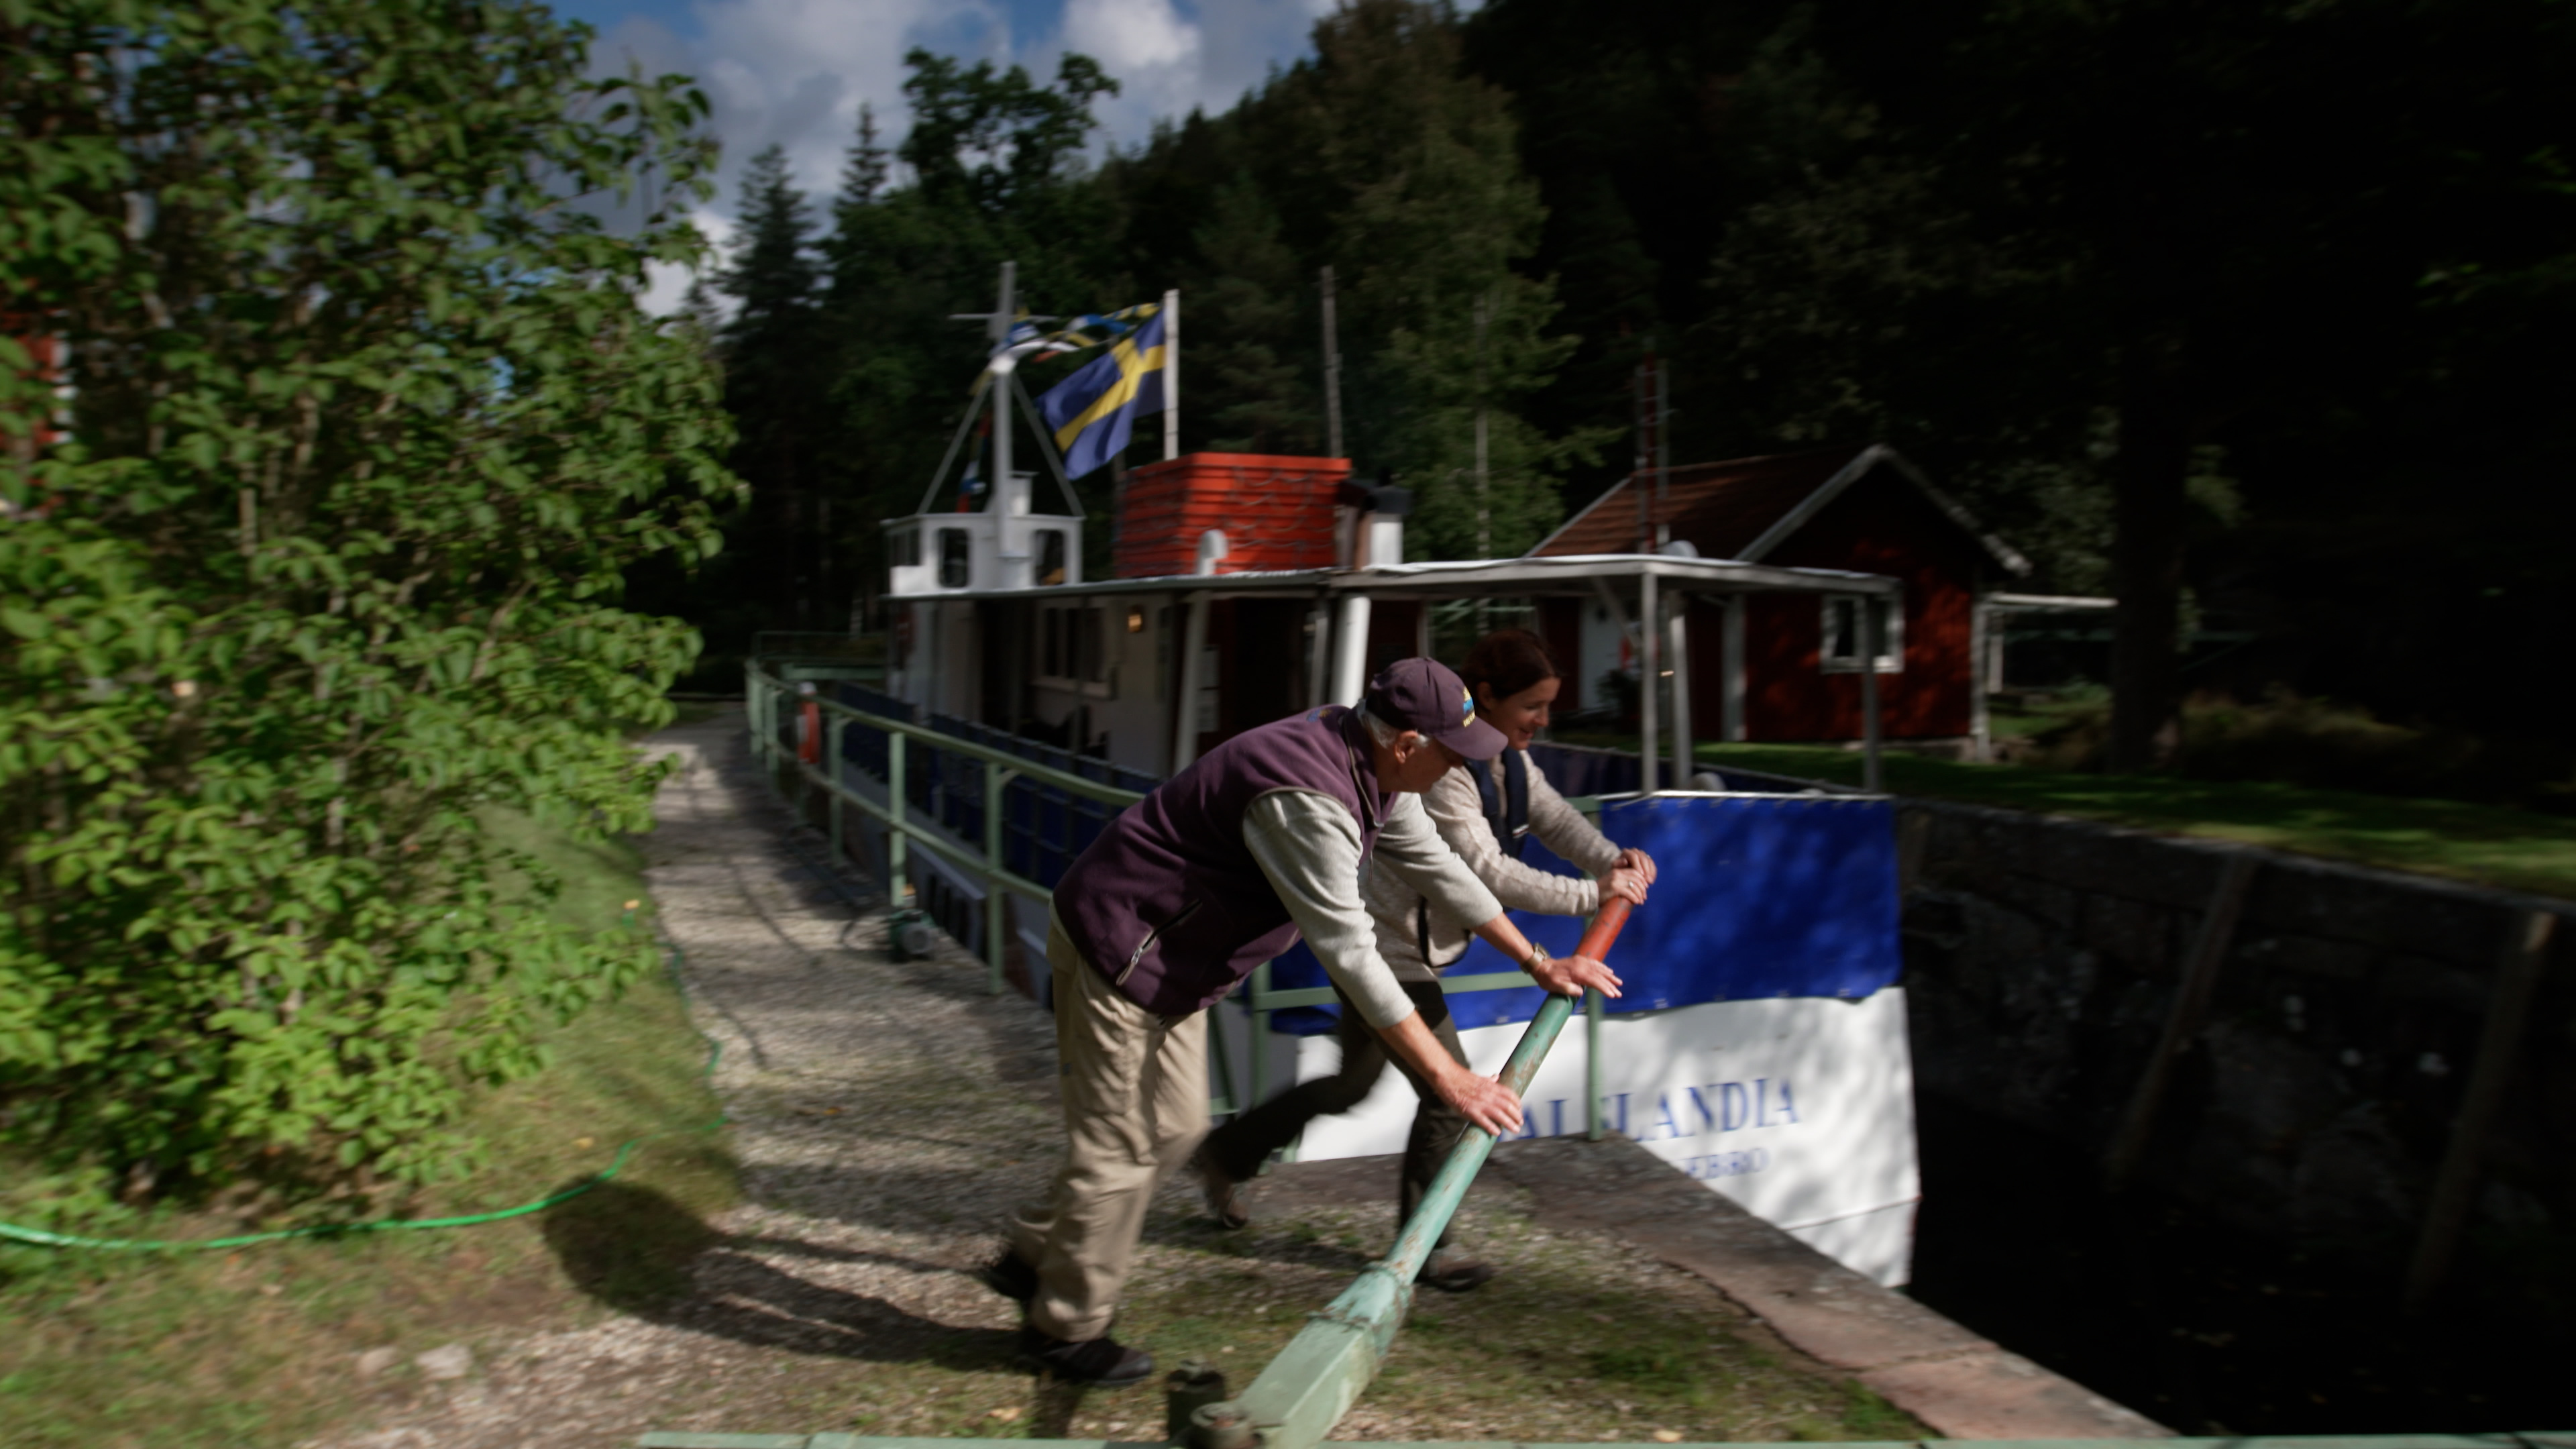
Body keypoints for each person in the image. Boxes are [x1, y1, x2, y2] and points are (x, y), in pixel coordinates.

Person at [978, 657, 1623, 1385]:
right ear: (1407, 743)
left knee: (1178, 1130)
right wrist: (1450, 1077)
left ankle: (1033, 1256)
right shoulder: (1308, 798)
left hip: (1178, 961)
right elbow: (1351, 952)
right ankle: (1064, 1329)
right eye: (1452, 754)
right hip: (1121, 947)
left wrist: (1539, 962)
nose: (1460, 769)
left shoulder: (1380, 765)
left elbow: (1441, 867)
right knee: (1122, 1147)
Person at [1190, 628, 1656, 1291]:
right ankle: (1426, 1246)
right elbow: (1485, 872)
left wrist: (1611, 864)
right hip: (1385, 953)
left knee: (1351, 1087)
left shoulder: (1500, 760)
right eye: (1532, 706)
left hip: (1406, 950)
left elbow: (1547, 823)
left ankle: (1225, 1152)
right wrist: (1595, 895)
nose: (1543, 720)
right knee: (1450, 1097)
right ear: (1485, 699)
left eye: (1549, 706)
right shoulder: (1433, 766)